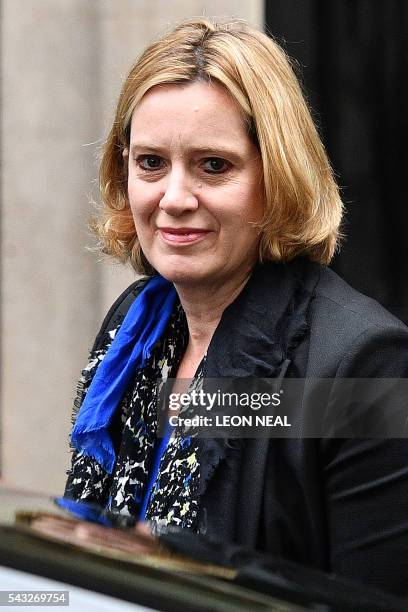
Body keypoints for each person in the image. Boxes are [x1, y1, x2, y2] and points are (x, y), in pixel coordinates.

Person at [63, 18, 408, 596]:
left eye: (213, 165)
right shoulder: (135, 327)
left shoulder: (364, 362)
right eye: (151, 163)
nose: (174, 199)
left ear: (278, 177)